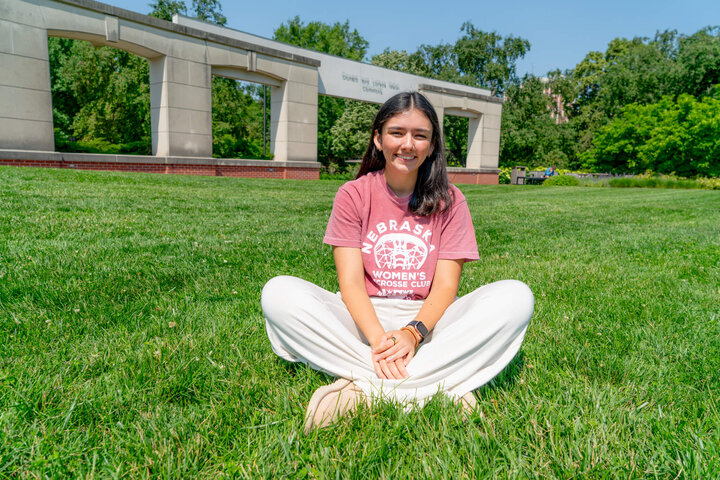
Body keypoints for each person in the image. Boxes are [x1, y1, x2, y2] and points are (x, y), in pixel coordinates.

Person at [262, 91, 534, 433]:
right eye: (397, 133)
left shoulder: (450, 200)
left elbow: (447, 286)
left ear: (432, 145)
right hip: (363, 321)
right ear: (378, 138)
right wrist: (380, 341)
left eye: (420, 135)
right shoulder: (353, 194)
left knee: (516, 296)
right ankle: (438, 386)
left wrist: (411, 334)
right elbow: (350, 283)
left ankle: (363, 388)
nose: (408, 144)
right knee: (278, 292)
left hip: (429, 323)